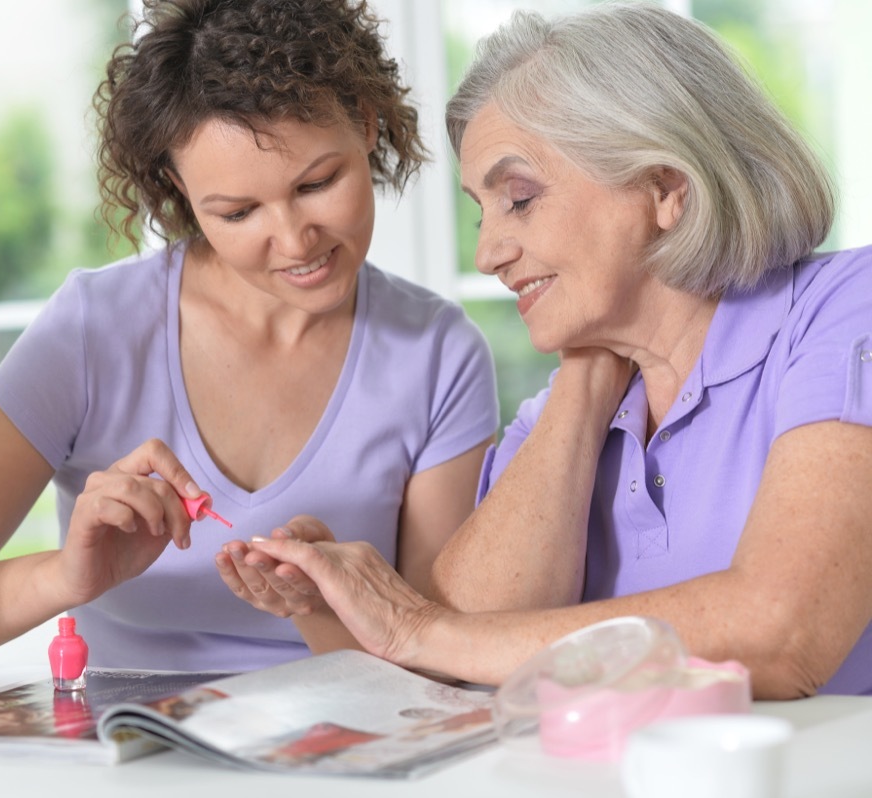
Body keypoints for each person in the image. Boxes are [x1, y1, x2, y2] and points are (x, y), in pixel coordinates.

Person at [227, 3, 872, 699]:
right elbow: (460, 666)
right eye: (481, 210)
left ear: (664, 188)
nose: (488, 252)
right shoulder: (557, 420)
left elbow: (782, 635)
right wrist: (589, 377)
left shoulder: (845, 308)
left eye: (521, 198)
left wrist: (413, 624)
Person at [0, 0, 498, 673]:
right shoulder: (93, 332)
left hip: (344, 758)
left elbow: (439, 664)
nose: (294, 241)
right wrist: (67, 577)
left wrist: (318, 605)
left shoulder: (438, 354)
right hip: (132, 767)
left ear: (367, 125)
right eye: (237, 212)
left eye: (318, 183)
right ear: (178, 187)